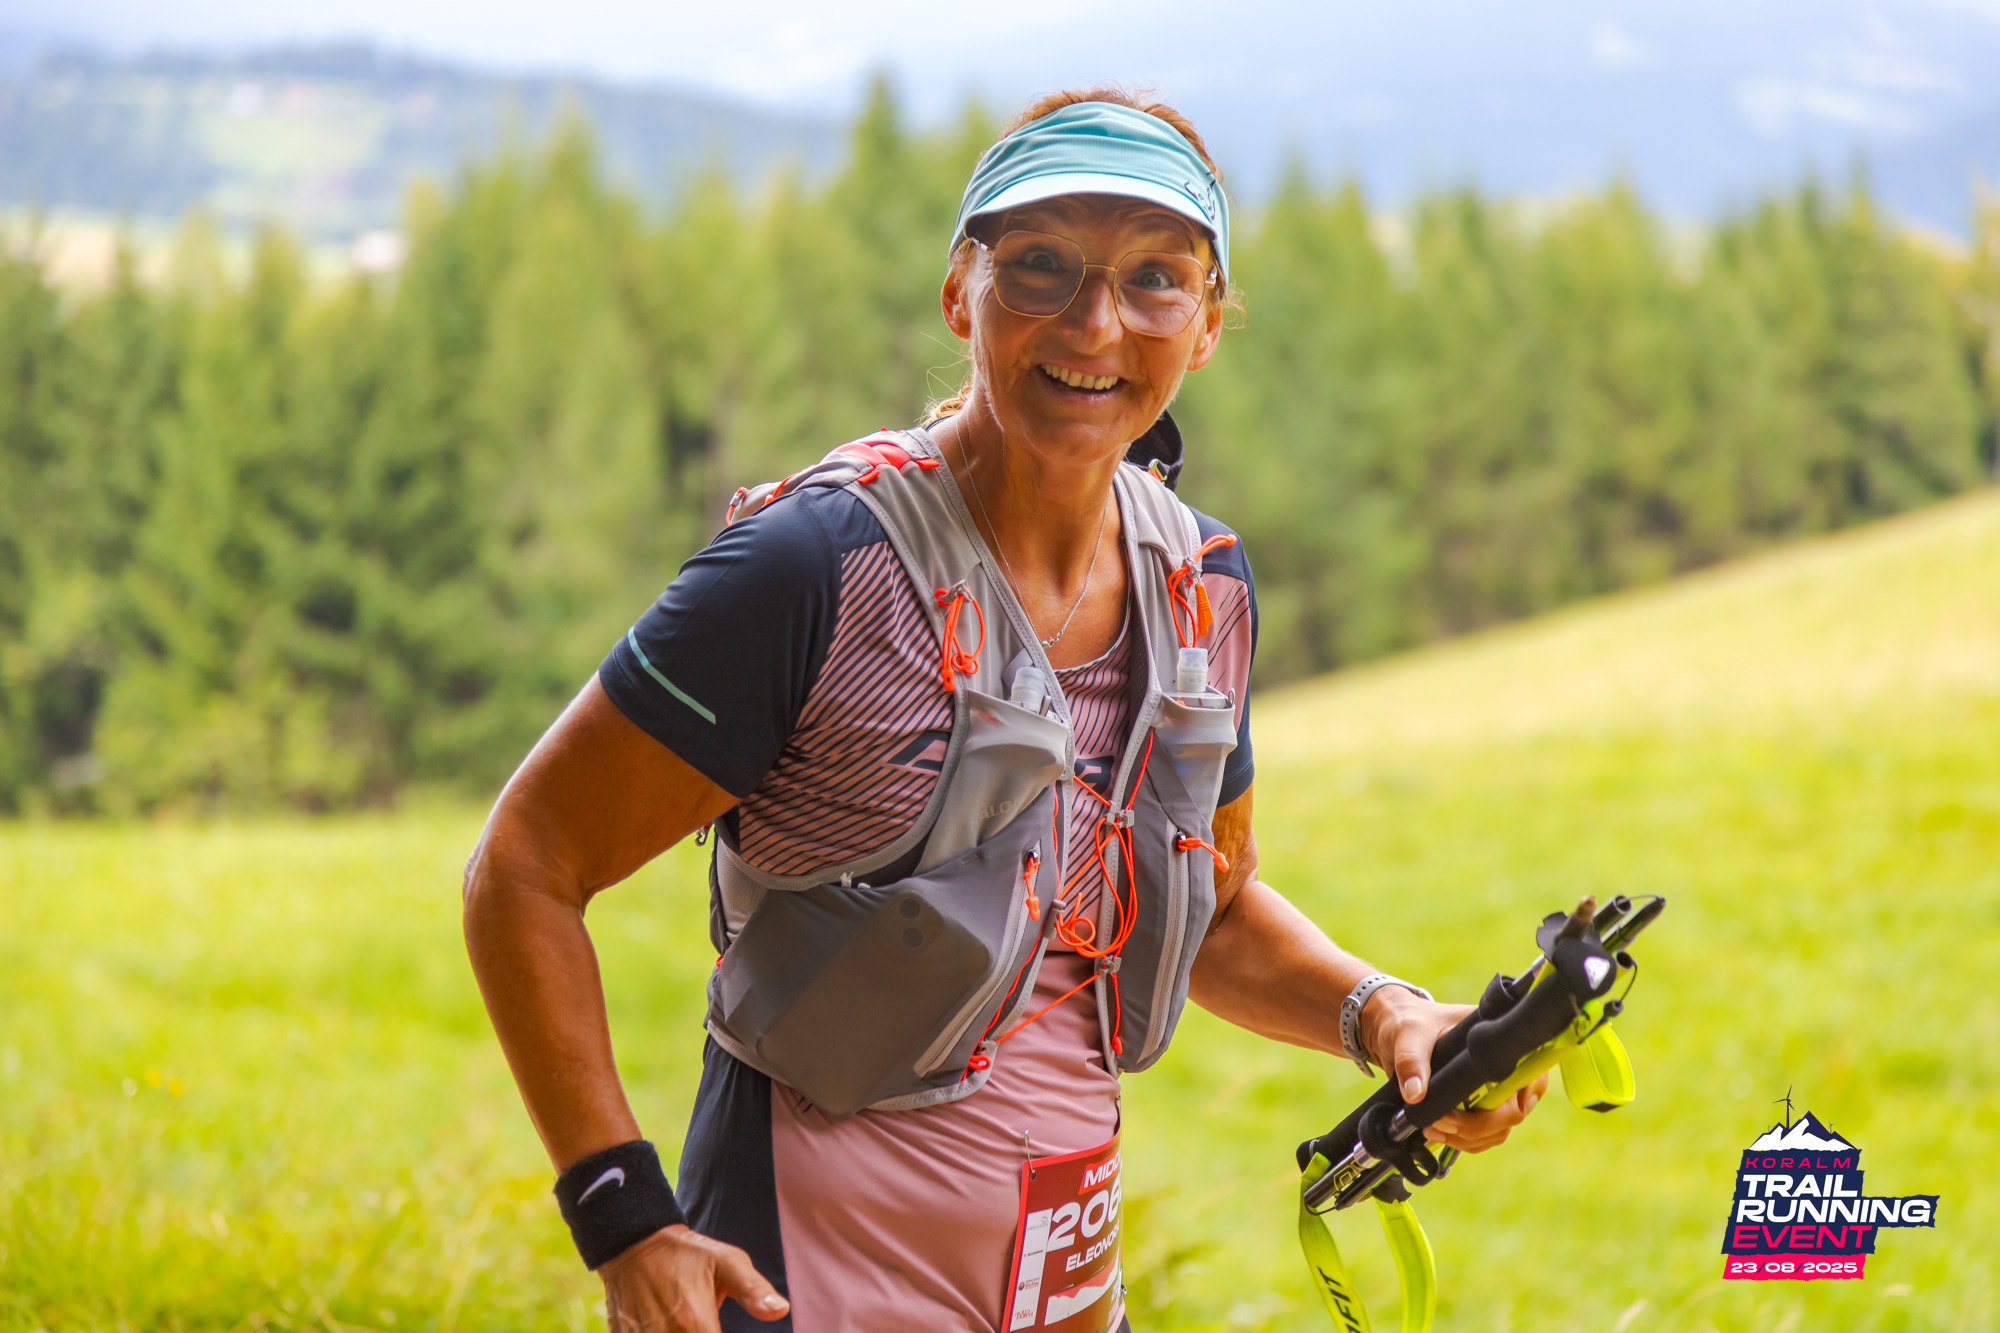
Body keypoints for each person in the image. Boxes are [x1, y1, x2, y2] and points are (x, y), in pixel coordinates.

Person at [462, 88, 1546, 1333]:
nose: (1094, 323)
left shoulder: (1199, 589)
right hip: (796, 1282)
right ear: (957, 292)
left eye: (1155, 278)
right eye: (1038, 265)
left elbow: (1202, 904)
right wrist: (624, 1221)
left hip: (1062, 1291)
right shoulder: (812, 569)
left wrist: (1385, 1014)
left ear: (1205, 323)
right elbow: (524, 864)